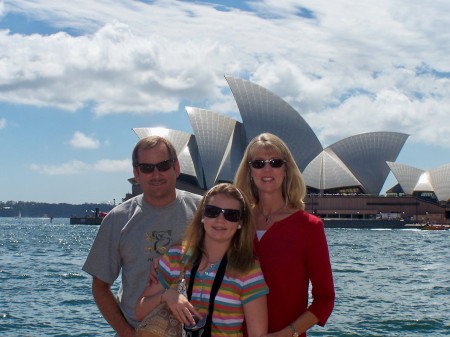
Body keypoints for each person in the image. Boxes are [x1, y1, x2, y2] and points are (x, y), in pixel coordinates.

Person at [83, 135, 202, 337]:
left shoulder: (204, 211)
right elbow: (100, 287)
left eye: (163, 165)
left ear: (177, 167)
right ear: (136, 174)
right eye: (147, 168)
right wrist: (127, 333)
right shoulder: (117, 219)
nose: (156, 174)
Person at [234, 133, 335, 337]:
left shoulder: (309, 227)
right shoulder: (236, 222)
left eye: (275, 162)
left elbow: (325, 299)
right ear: (249, 171)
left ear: (286, 169)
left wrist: (287, 333)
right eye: (259, 163)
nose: (267, 169)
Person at [135, 183, 268, 337]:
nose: (220, 219)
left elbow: (257, 334)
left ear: (240, 223)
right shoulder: (176, 257)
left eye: (231, 215)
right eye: (213, 212)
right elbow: (139, 311)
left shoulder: (247, 269)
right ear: (203, 216)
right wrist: (166, 296)